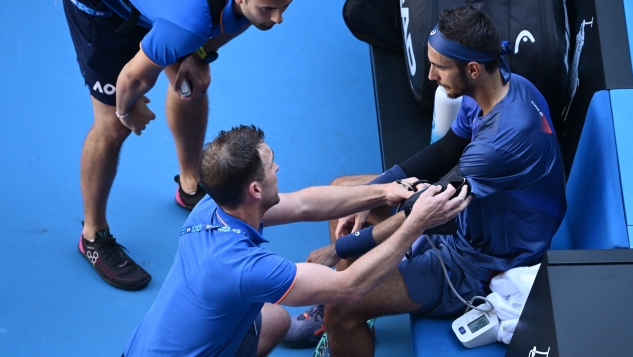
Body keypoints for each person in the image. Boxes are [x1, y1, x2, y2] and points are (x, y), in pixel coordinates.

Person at [284, 6, 567, 356]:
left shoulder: (501, 142)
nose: (431, 74)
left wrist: (335, 251)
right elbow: (444, 153)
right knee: (347, 192)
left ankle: (339, 312)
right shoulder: (499, 89)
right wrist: (368, 197)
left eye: (440, 66)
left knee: (343, 304)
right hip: (466, 214)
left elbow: (420, 213)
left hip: (480, 262)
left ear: (473, 69)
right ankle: (345, 299)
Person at [122, 124, 470, 356]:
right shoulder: (245, 269)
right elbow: (349, 286)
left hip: (155, 345)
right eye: (271, 165)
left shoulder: (214, 206)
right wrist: (416, 223)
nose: (278, 169)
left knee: (275, 320)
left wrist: (385, 190)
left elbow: (304, 204)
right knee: (321, 306)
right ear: (255, 189)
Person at [61, 0, 300, 290]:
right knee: (111, 129)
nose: (279, 18)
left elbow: (214, 35)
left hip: (167, 5)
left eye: (285, 6)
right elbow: (130, 78)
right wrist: (127, 112)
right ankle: (92, 236)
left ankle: (190, 185)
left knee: (191, 89)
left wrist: (197, 58)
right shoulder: (191, 21)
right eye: (270, 9)